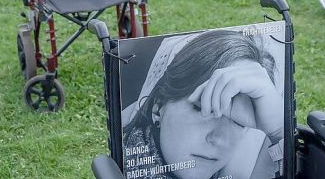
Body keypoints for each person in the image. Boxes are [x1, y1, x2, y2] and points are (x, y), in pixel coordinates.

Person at [121, 29, 285, 179]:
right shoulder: (117, 166)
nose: (219, 139)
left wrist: (279, 132)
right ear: (158, 107)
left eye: (238, 122)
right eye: (202, 109)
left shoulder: (252, 165)